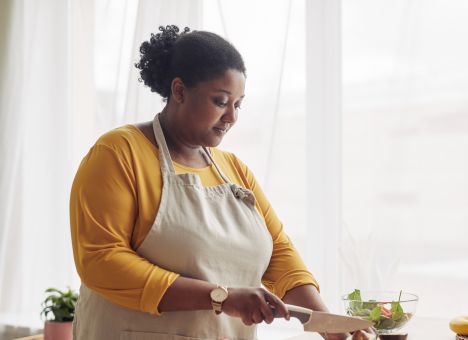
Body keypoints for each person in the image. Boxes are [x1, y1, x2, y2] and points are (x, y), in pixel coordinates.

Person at [70, 25, 372, 340]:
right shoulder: (119, 153)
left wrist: (329, 326)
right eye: (220, 101)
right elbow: (101, 260)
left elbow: (279, 253)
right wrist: (221, 297)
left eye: (238, 104)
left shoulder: (235, 170)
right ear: (179, 91)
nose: (232, 116)